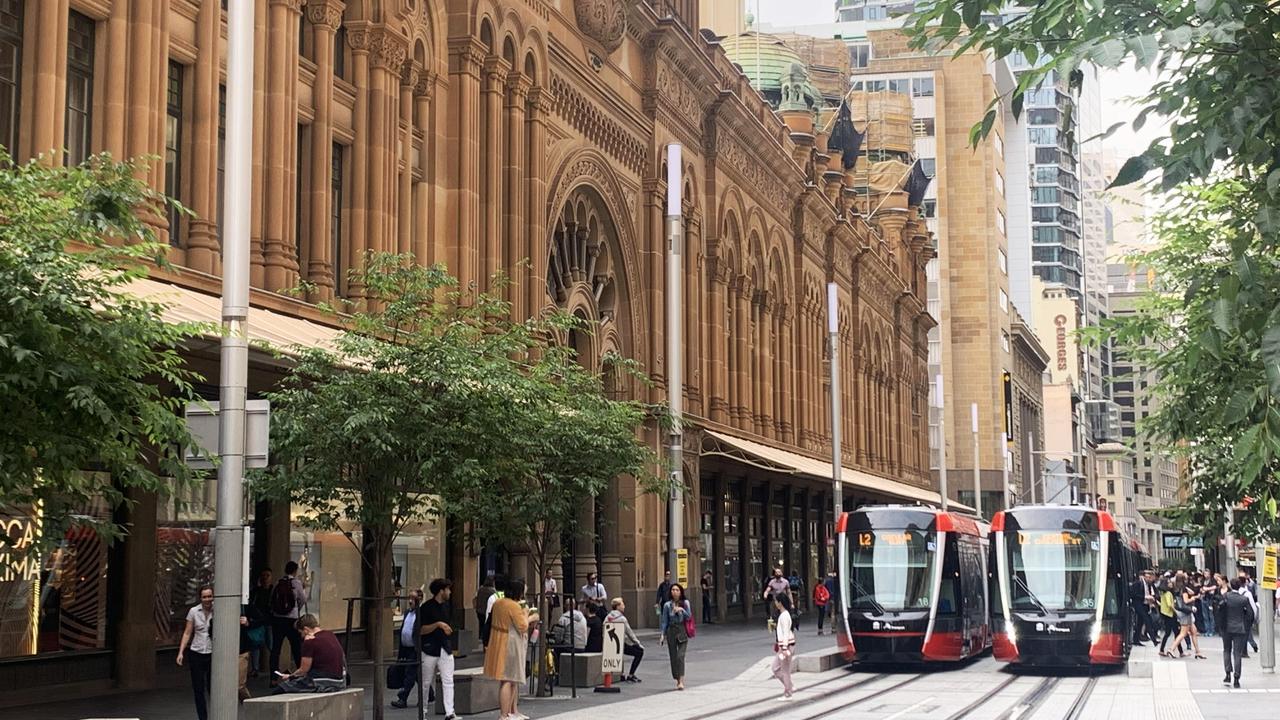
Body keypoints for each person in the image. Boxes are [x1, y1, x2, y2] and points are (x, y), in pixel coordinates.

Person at [484, 578, 530, 720]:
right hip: (510, 642)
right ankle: (505, 714)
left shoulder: (498, 603)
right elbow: (523, 626)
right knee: (509, 678)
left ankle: (512, 711)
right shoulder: (514, 606)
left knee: (512, 678)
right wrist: (529, 615)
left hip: (500, 639)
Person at [416, 579, 458, 720]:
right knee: (426, 682)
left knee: (448, 680)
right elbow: (420, 630)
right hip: (429, 648)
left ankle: (449, 712)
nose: (450, 592)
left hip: (445, 648)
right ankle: (423, 711)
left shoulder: (447, 606)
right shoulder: (426, 608)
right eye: (448, 589)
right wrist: (438, 625)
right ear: (441, 591)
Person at [275, 614, 347, 693]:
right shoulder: (330, 634)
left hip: (321, 681)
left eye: (301, 633)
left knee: (281, 689)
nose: (301, 636)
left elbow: (303, 670)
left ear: (306, 629)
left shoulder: (310, 641)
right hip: (340, 681)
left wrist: (290, 677)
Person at [176, 586, 215, 720]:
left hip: (212, 653)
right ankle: (203, 718)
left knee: (213, 688)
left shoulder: (218, 609)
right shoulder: (193, 611)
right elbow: (187, 633)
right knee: (198, 689)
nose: (207, 599)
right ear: (200, 598)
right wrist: (181, 652)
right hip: (196, 652)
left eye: (210, 596)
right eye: (204, 597)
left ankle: (216, 714)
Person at [269, 560, 308, 681]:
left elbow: (271, 599)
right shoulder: (296, 583)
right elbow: (302, 599)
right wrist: (295, 609)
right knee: (296, 647)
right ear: (295, 571)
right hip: (292, 620)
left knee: (276, 649)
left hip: (278, 620)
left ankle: (273, 677)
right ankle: (300, 674)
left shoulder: (278, 582)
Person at [1219, 577, 1256, 689]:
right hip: (1239, 628)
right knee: (1237, 653)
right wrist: (1245, 623)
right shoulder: (1243, 599)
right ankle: (1236, 678)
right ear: (1240, 586)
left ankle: (1227, 674)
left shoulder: (1226, 597)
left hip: (1226, 628)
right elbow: (1250, 614)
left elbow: (1220, 611)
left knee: (1226, 650)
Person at [390, 589, 423, 709]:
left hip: (415, 648)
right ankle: (429, 694)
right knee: (416, 674)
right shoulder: (407, 613)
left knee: (410, 672)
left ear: (419, 599)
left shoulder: (421, 613)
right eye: (409, 598)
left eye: (413, 599)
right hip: (406, 648)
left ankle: (402, 697)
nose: (410, 601)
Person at [659, 583, 692, 691]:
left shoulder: (685, 603)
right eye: (673, 590)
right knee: (673, 657)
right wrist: (662, 635)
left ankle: (681, 680)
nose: (675, 592)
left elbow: (689, 617)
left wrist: (681, 610)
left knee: (680, 656)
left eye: (677, 590)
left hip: (681, 630)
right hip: (671, 631)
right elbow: (664, 621)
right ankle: (677, 679)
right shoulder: (667, 605)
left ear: (681, 592)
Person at [605, 598, 645, 682]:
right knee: (639, 652)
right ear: (618, 606)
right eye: (622, 604)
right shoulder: (622, 619)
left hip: (609, 644)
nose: (624, 606)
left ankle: (621, 674)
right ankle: (631, 674)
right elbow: (630, 633)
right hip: (620, 644)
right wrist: (638, 643)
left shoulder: (607, 617)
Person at [1168, 579, 1205, 659]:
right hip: (1186, 613)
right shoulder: (1183, 589)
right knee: (1183, 633)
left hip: (1184, 613)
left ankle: (1198, 652)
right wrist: (1192, 599)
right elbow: (1186, 600)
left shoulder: (1177, 588)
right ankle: (1171, 649)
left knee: (1194, 632)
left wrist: (1194, 595)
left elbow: (1191, 593)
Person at [248, 568, 274, 677]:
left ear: (271, 577)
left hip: (269, 621)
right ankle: (255, 669)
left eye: (267, 575)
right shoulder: (255, 591)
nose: (265, 578)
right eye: (263, 575)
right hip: (258, 622)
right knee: (255, 645)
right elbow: (251, 605)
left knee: (271, 645)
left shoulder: (274, 590)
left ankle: (274, 668)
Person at [770, 591, 796, 699]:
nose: (775, 603)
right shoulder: (784, 615)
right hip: (785, 646)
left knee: (783, 669)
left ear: (780, 603)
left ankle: (788, 691)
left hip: (786, 647)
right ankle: (789, 686)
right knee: (776, 668)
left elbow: (785, 632)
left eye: (776, 601)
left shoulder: (785, 616)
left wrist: (784, 648)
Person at [1236, 572, 1260, 656]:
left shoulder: (1235, 592)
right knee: (1246, 633)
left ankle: (1240, 650)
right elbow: (1253, 606)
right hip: (1246, 616)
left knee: (1239, 634)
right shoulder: (1247, 593)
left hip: (1237, 615)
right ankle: (1244, 651)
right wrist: (1255, 616)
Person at [1157, 577, 1179, 656]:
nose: (1171, 583)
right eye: (1169, 582)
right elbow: (1170, 604)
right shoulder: (1168, 593)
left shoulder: (1162, 593)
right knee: (1176, 633)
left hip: (1165, 614)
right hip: (1170, 615)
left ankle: (1162, 649)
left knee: (1169, 633)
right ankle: (1179, 651)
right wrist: (1176, 612)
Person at [475, 573, 497, 648]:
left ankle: (484, 643)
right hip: (487, 611)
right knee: (488, 628)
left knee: (482, 627)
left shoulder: (480, 589)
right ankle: (487, 644)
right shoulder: (493, 591)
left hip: (480, 611)